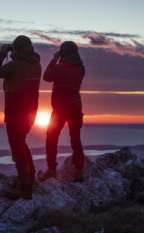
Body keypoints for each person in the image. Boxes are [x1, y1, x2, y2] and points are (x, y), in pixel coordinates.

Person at [0, 35, 41, 200]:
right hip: (31, 112)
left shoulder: (15, 65)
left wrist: (2, 53)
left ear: (17, 50)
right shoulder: (36, 65)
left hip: (15, 112)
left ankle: (25, 188)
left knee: (17, 149)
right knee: (21, 144)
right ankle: (30, 178)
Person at [38, 41, 85, 181]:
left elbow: (46, 77)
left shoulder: (61, 67)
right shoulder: (81, 68)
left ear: (63, 52)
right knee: (75, 139)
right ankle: (79, 170)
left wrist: (54, 60)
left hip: (60, 108)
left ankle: (51, 169)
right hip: (76, 106)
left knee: (51, 137)